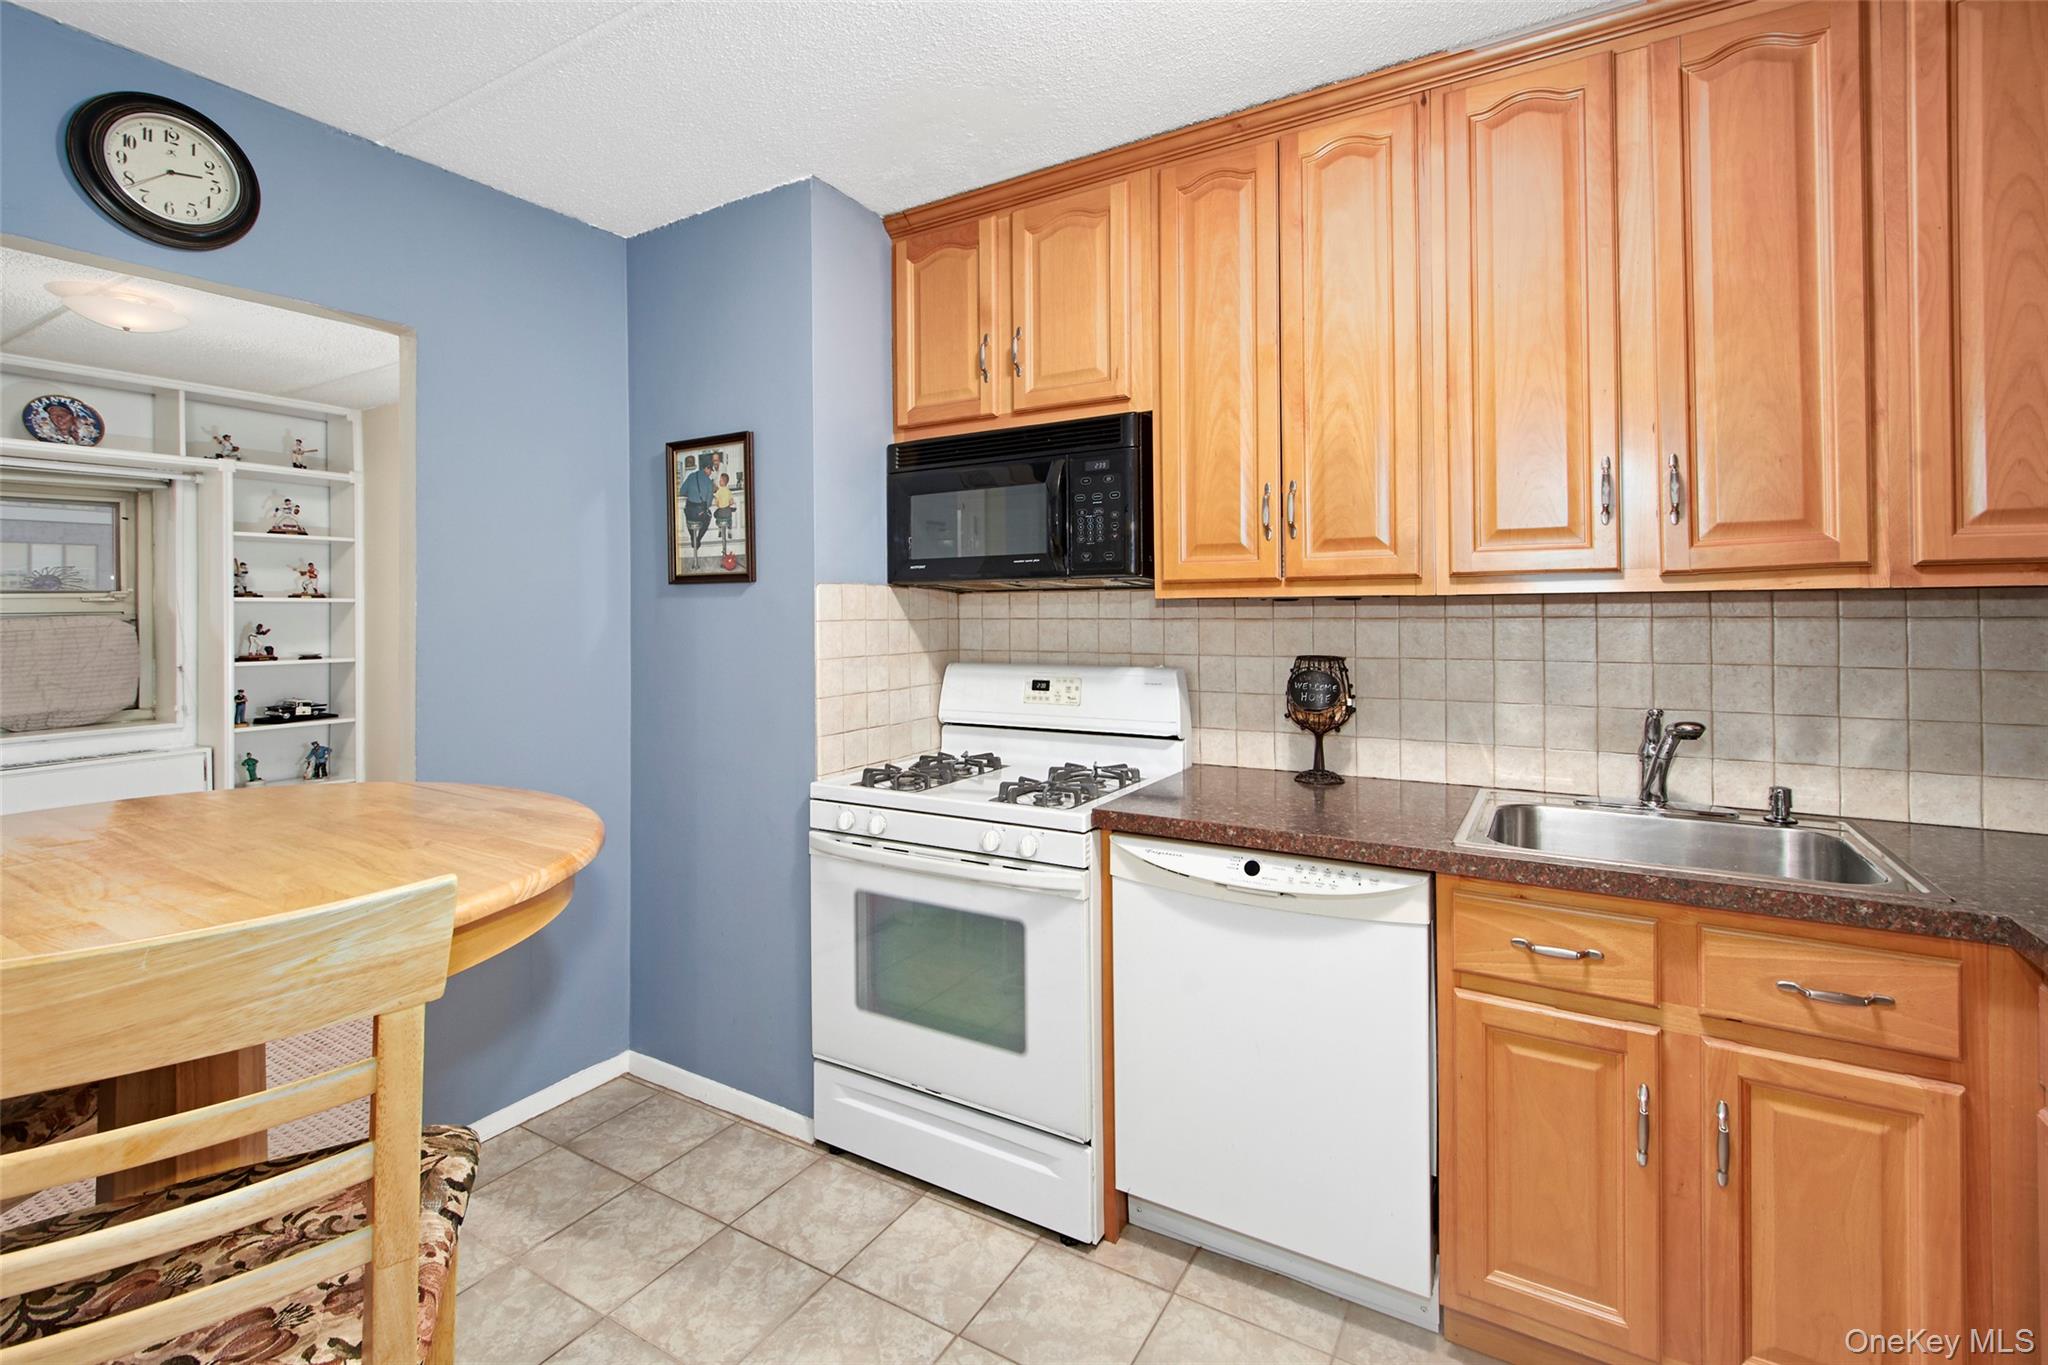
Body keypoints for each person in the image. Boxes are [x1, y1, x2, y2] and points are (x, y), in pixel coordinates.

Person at [679, 458, 715, 557]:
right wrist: (704, 508)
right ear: (706, 468)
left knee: (688, 518)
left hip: (690, 510)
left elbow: (681, 491)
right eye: (710, 470)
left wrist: (691, 493)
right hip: (700, 513)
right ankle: (698, 539)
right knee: (708, 517)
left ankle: (692, 537)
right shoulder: (709, 482)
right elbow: (709, 502)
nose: (711, 472)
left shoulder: (691, 476)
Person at [713, 472, 736, 543]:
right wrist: (728, 504)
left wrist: (719, 505)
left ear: (723, 482)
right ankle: (729, 529)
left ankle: (720, 528)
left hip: (721, 512)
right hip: (727, 511)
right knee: (730, 519)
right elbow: (732, 502)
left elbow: (716, 503)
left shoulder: (719, 491)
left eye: (720, 480)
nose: (719, 481)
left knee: (716, 515)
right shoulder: (729, 491)